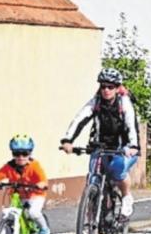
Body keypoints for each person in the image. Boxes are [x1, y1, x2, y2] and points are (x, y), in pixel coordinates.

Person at [60, 67, 140, 217]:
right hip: (100, 146)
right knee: (93, 179)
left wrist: (133, 146)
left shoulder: (124, 103)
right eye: (103, 86)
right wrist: (68, 140)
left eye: (110, 87)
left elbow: (131, 126)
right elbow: (80, 119)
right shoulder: (96, 102)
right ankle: (89, 224)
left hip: (122, 147)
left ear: (117, 88)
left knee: (118, 170)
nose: (106, 90)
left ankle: (126, 196)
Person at [0, 134, 50, 234]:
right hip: (18, 195)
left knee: (33, 213)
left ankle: (44, 230)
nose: (21, 157)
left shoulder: (35, 166)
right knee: (9, 217)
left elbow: (43, 180)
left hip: (35, 195)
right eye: (16, 154)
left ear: (30, 153)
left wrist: (40, 184)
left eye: (25, 153)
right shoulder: (9, 166)